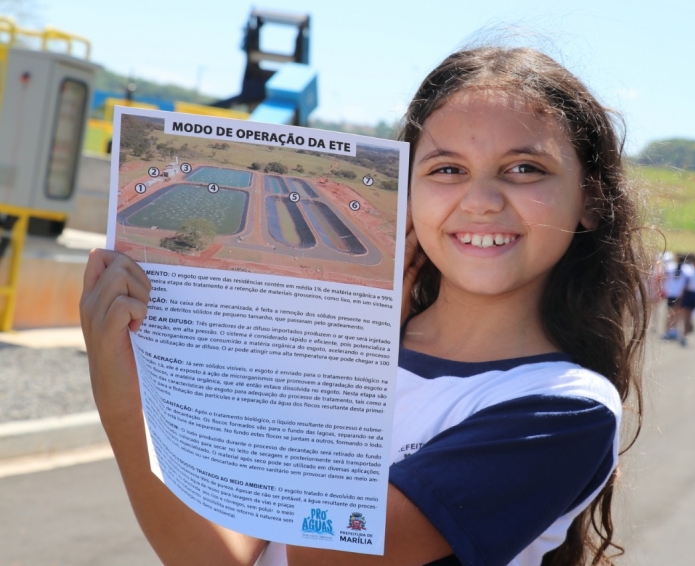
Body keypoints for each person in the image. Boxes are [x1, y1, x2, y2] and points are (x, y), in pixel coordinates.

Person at [79, 46, 650, 566]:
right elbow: (215, 557)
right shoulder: (351, 352)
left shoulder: (563, 408)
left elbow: (324, 557)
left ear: (592, 202)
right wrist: (123, 399)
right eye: (447, 169)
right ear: (406, 190)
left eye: (525, 169)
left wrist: (354, 343)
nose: (480, 201)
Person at [678, 256, 695, 346]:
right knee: (689, 315)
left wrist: (681, 296)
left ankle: (685, 333)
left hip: (689, 294)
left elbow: (686, 287)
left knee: (686, 316)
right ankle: (686, 333)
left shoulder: (691, 274)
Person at [661, 253, 687, 340]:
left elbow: (665, 278)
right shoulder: (687, 269)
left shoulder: (670, 267)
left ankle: (666, 331)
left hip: (671, 293)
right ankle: (673, 330)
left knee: (669, 313)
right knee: (677, 313)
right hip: (680, 294)